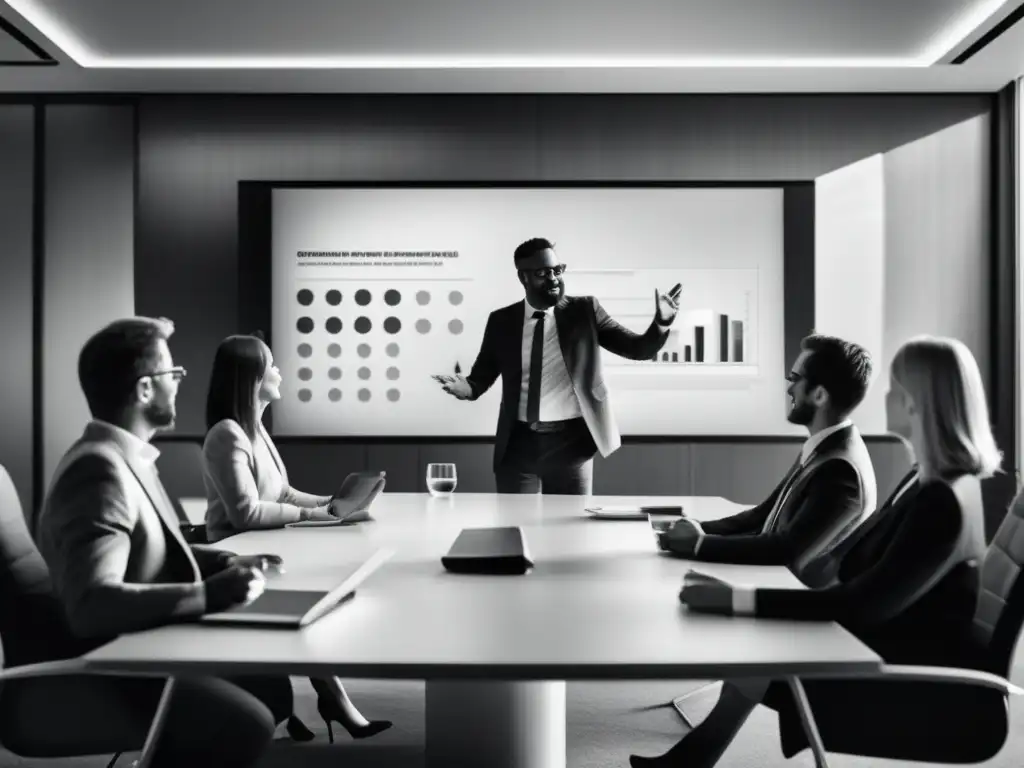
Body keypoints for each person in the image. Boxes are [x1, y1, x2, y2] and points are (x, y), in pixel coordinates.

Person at [631, 335, 1001, 767]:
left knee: (758, 650)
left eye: (894, 389)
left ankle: (690, 761)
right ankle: (691, 761)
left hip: (912, 685)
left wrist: (737, 600)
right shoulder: (931, 481)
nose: (882, 398)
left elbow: (864, 604)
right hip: (891, 648)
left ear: (917, 403)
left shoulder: (939, 500)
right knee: (760, 646)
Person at [35, 317, 289, 767]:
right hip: (120, 670)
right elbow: (91, 604)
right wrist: (207, 593)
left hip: (150, 647)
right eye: (172, 374)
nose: (179, 385)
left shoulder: (126, 457)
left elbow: (147, 551)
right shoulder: (99, 472)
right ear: (145, 390)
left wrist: (224, 559)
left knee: (269, 685)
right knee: (250, 712)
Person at [203, 332, 392, 742]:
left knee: (324, 593)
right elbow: (246, 512)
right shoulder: (227, 435)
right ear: (252, 377)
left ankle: (323, 700)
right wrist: (312, 514)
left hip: (266, 549)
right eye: (271, 365)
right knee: (317, 595)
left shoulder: (255, 429)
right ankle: (333, 700)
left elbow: (283, 494)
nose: (279, 372)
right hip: (235, 557)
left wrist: (335, 503)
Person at [432, 237, 681, 495]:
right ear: (523, 278)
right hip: (518, 446)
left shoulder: (585, 311)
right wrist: (467, 389)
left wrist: (661, 323)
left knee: (570, 531)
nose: (553, 279)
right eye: (542, 273)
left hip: (571, 446)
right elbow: (481, 378)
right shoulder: (502, 321)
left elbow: (638, 349)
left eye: (556, 270)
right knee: (514, 526)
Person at [658, 334, 877, 587]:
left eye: (795, 379)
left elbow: (787, 550)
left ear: (819, 395)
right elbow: (761, 516)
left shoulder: (841, 469)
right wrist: (694, 528)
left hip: (788, 608)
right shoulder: (829, 446)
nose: (789, 389)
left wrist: (698, 543)